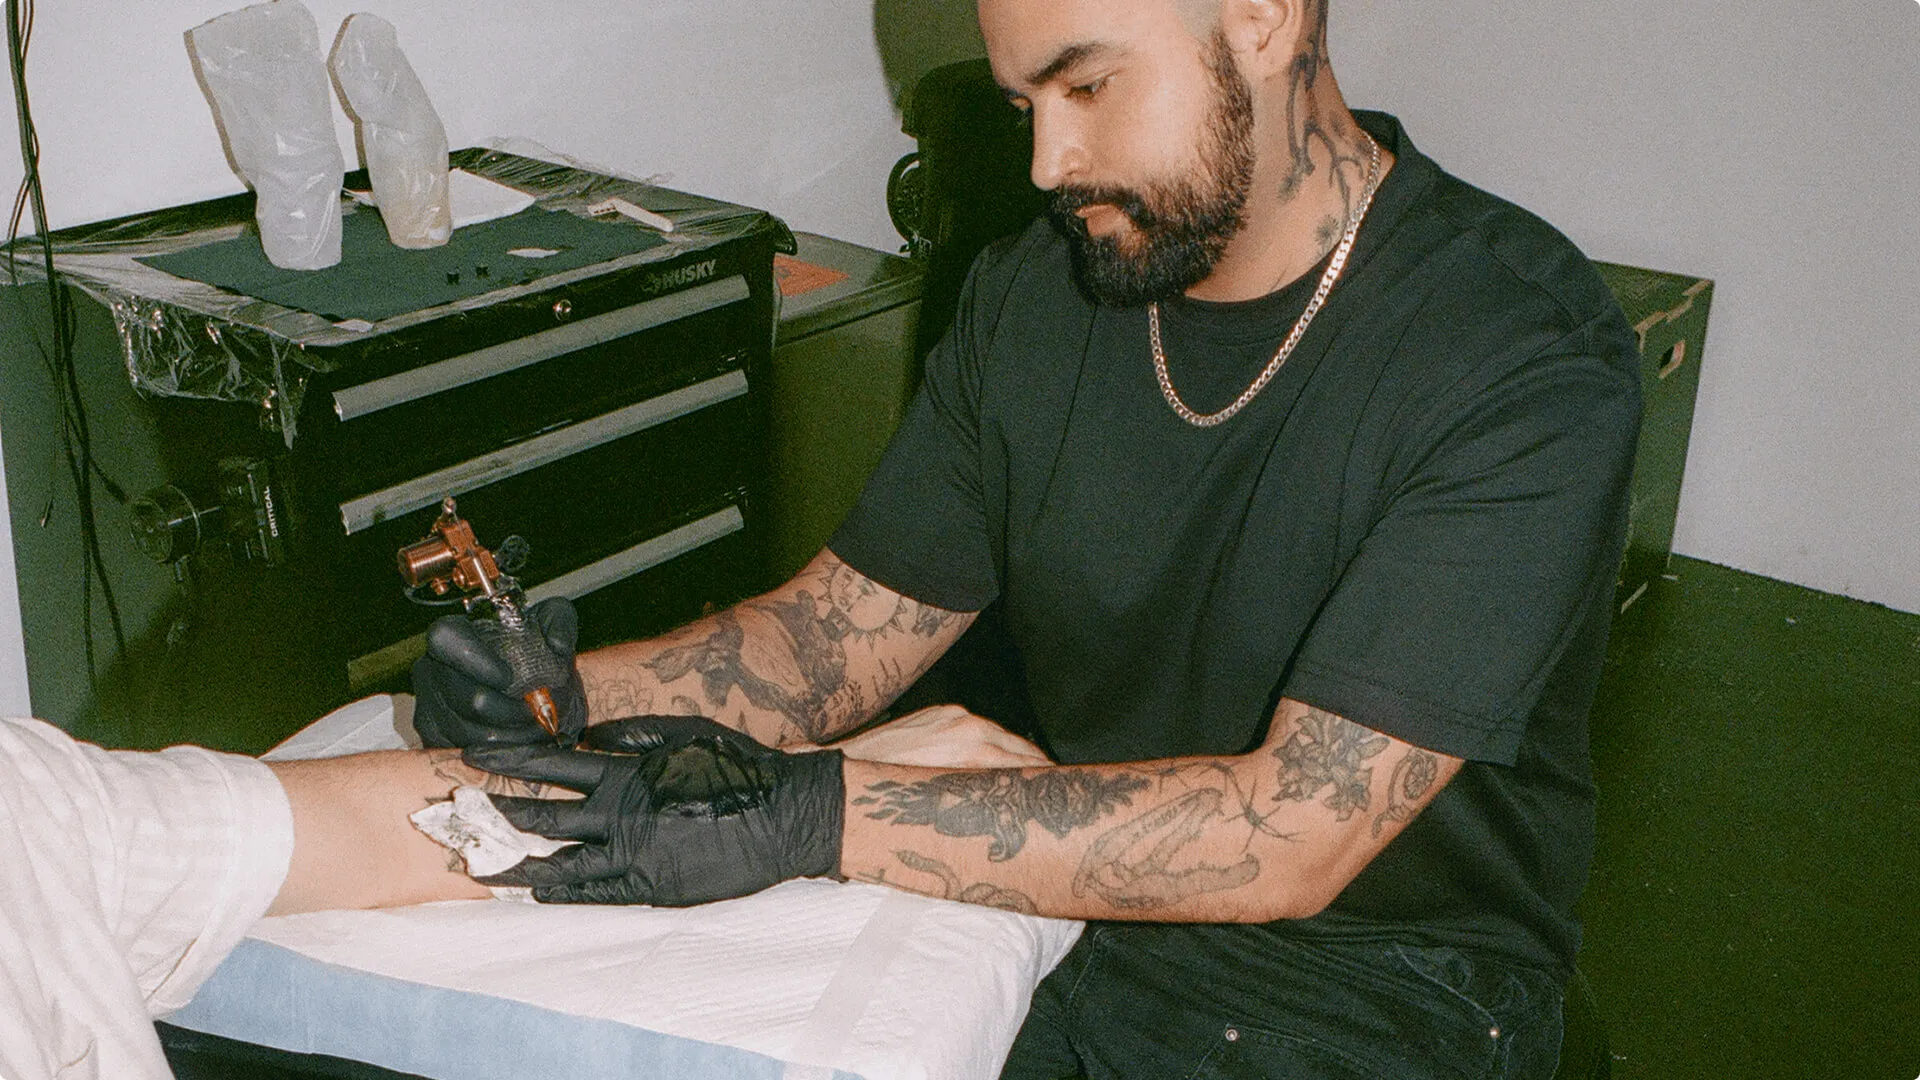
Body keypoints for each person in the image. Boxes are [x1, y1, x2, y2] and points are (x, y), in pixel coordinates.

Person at [414, 0, 1643, 1076]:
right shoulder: (1036, 297)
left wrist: (811, 815)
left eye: (1089, 85)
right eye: (1023, 105)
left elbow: (1295, 834)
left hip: (1381, 981)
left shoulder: (1515, 353)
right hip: (1075, 912)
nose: (1051, 162)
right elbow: (831, 639)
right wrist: (566, 692)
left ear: (1266, 18)